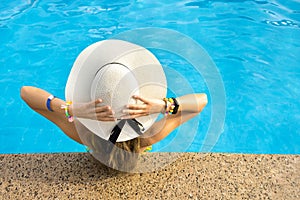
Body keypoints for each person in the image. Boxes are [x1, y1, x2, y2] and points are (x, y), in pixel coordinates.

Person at [20, 40, 208, 171]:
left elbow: (26, 93)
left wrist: (71, 109)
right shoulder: (147, 137)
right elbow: (201, 101)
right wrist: (163, 106)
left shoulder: (84, 134)